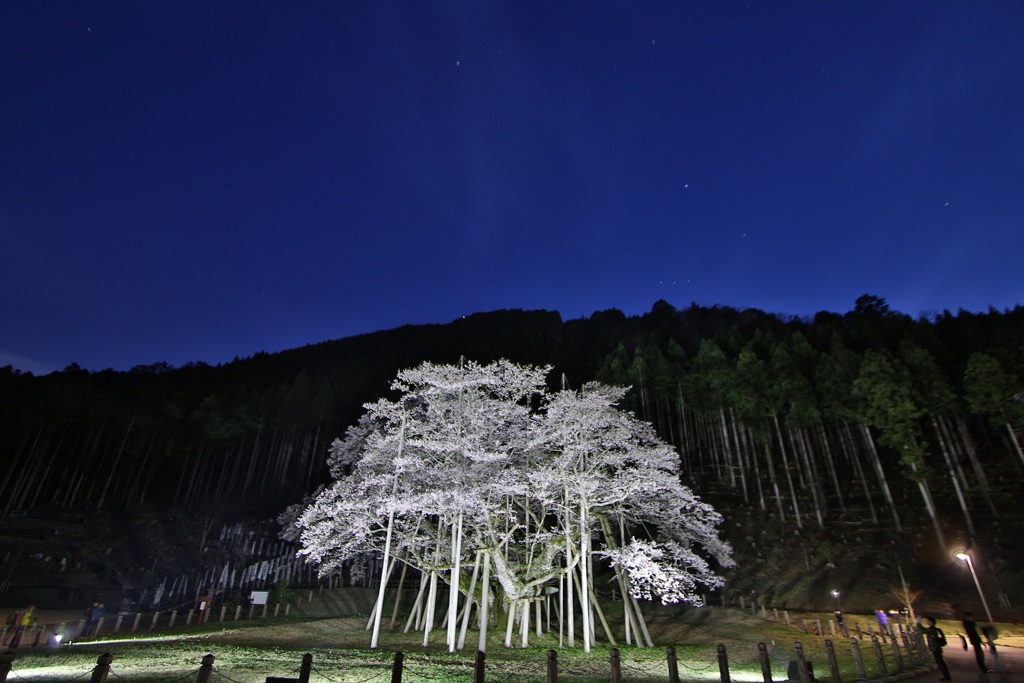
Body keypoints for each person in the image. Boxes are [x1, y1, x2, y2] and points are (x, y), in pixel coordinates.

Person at [920, 616, 951, 681]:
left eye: (928, 621)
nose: (927, 622)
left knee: (940, 663)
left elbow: (923, 630)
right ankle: (946, 676)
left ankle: (947, 677)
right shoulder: (934, 629)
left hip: (935, 648)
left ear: (931, 622)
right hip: (936, 648)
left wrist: (918, 623)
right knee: (939, 662)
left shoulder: (931, 629)